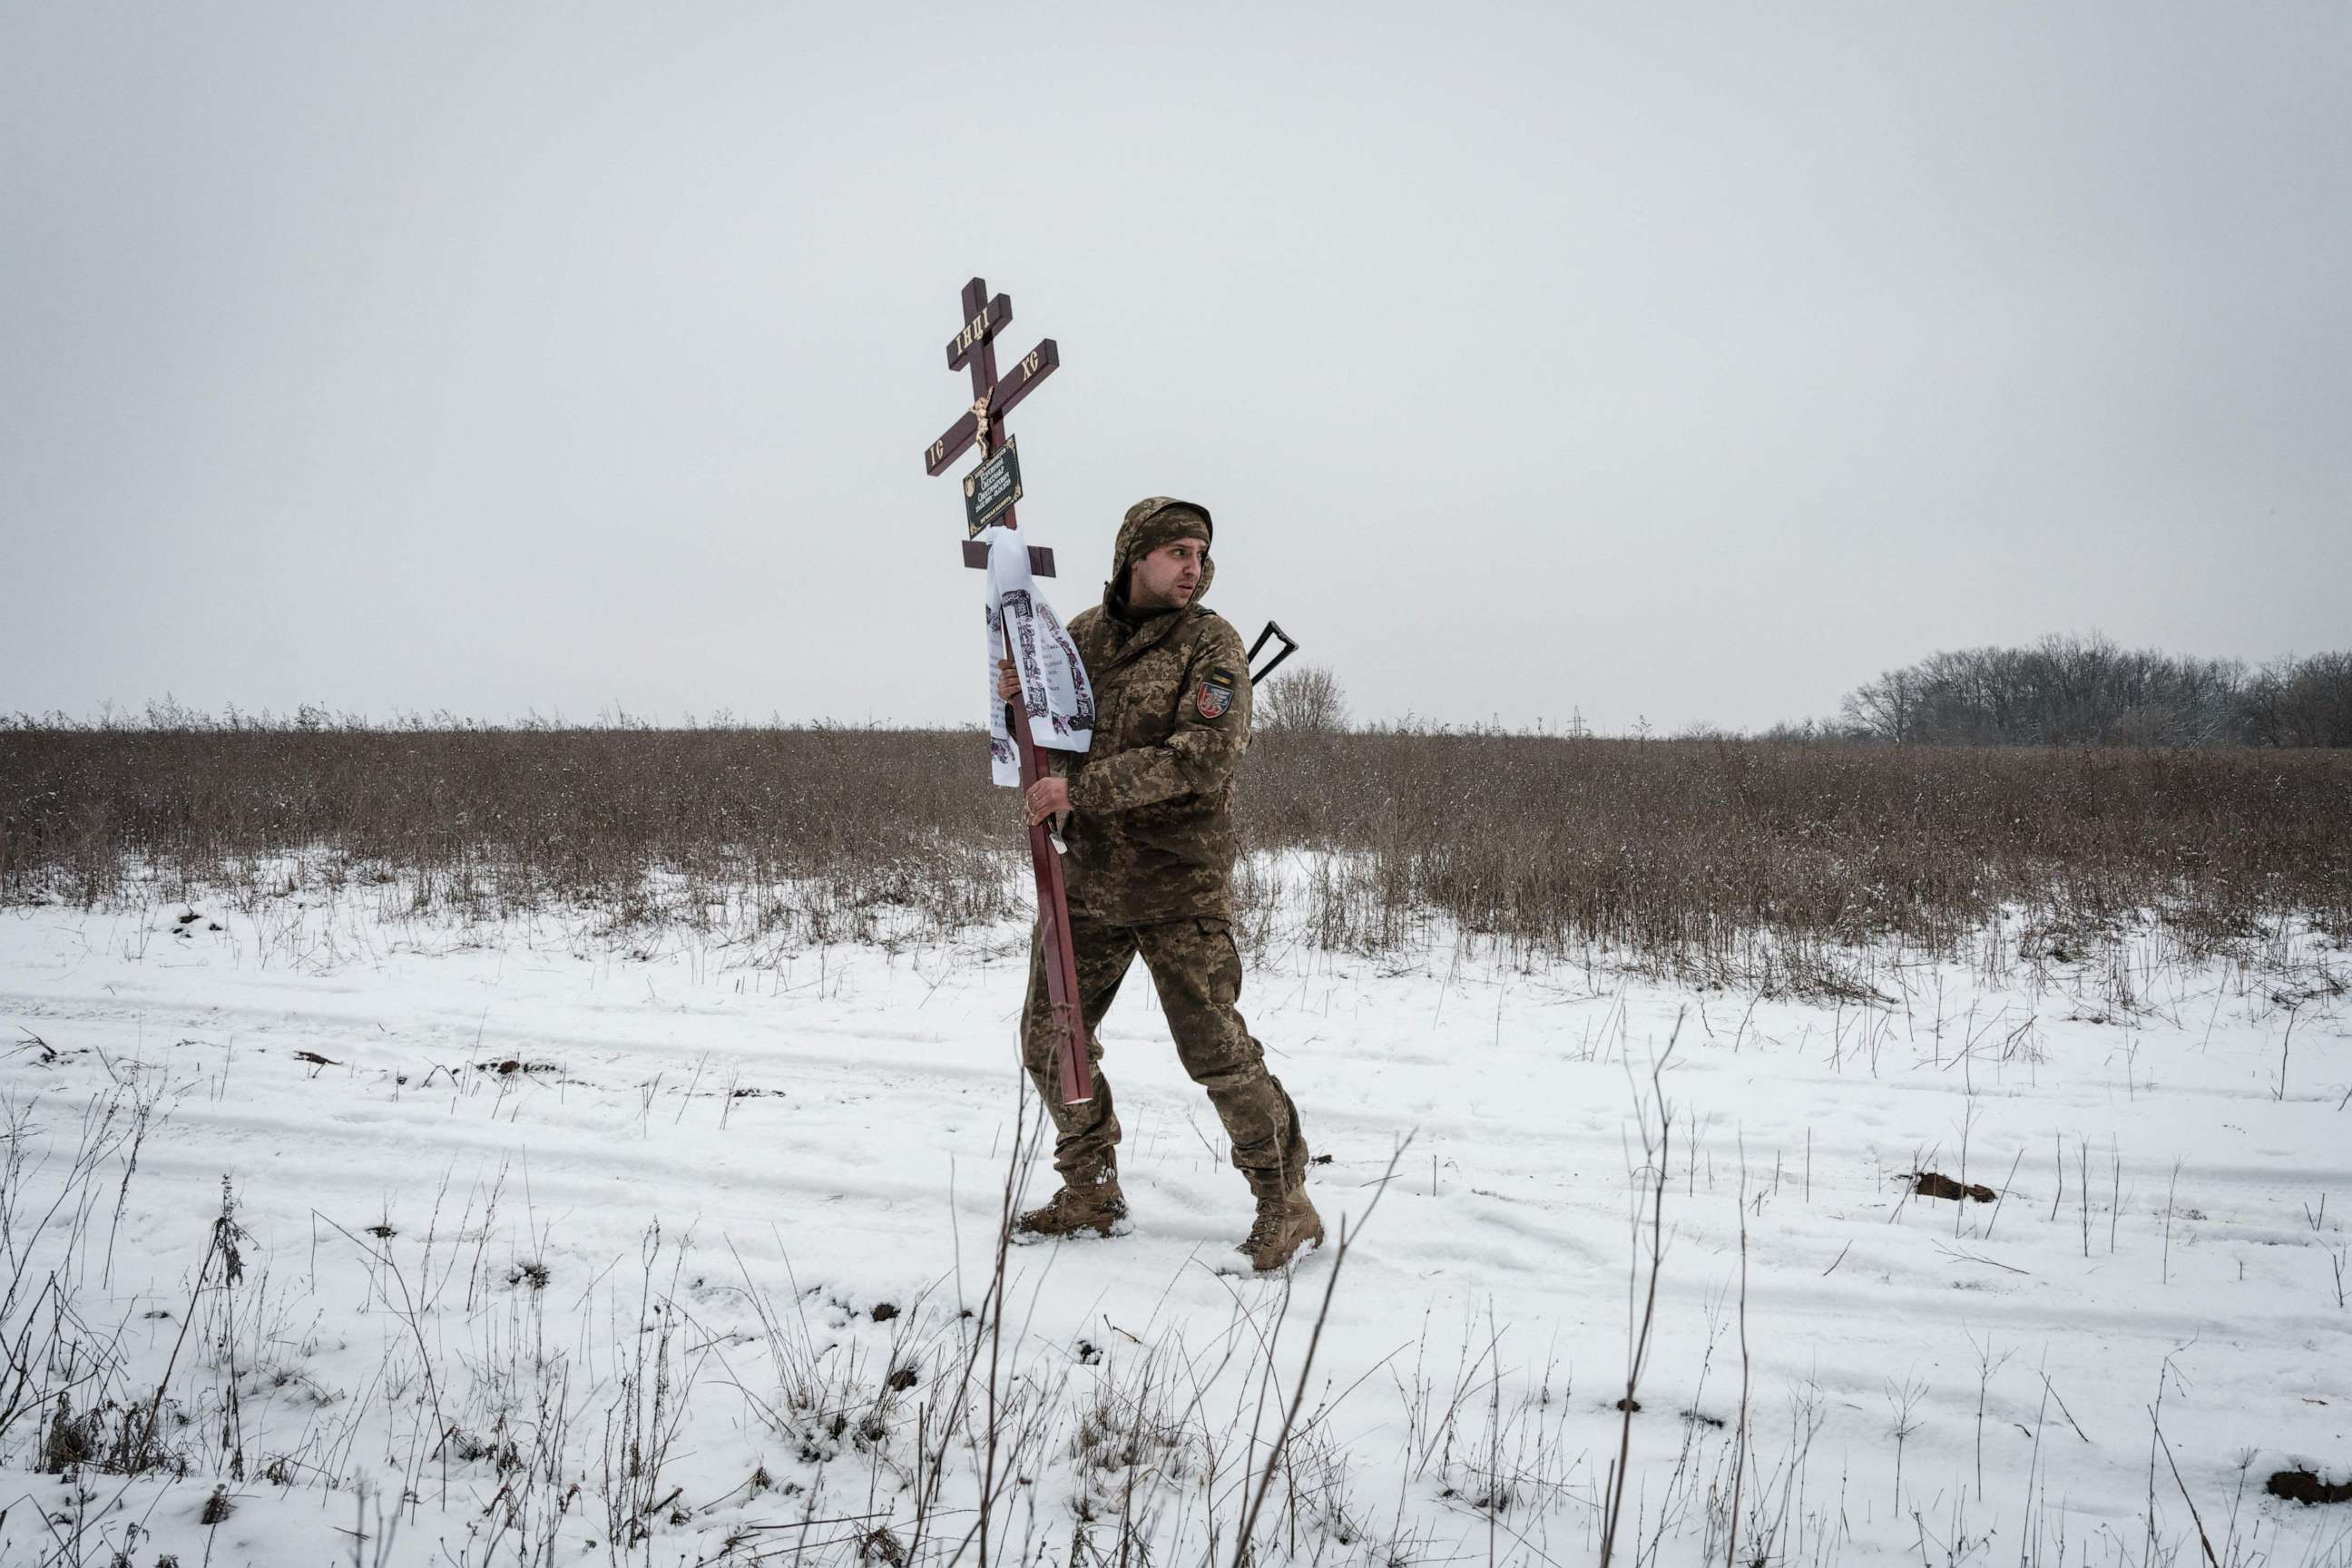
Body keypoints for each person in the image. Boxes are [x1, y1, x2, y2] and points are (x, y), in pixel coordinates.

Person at [995, 495, 1320, 1271]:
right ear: (1133, 558)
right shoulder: (1078, 638)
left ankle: (1287, 1202)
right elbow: (1049, 738)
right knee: (1050, 1038)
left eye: (1201, 554)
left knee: (1215, 1051)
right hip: (1092, 882)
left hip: (1180, 883)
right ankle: (1090, 1187)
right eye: (1177, 551)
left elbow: (1202, 757)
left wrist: (1084, 792)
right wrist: (1016, 706)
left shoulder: (1212, 645)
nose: (1193, 567)